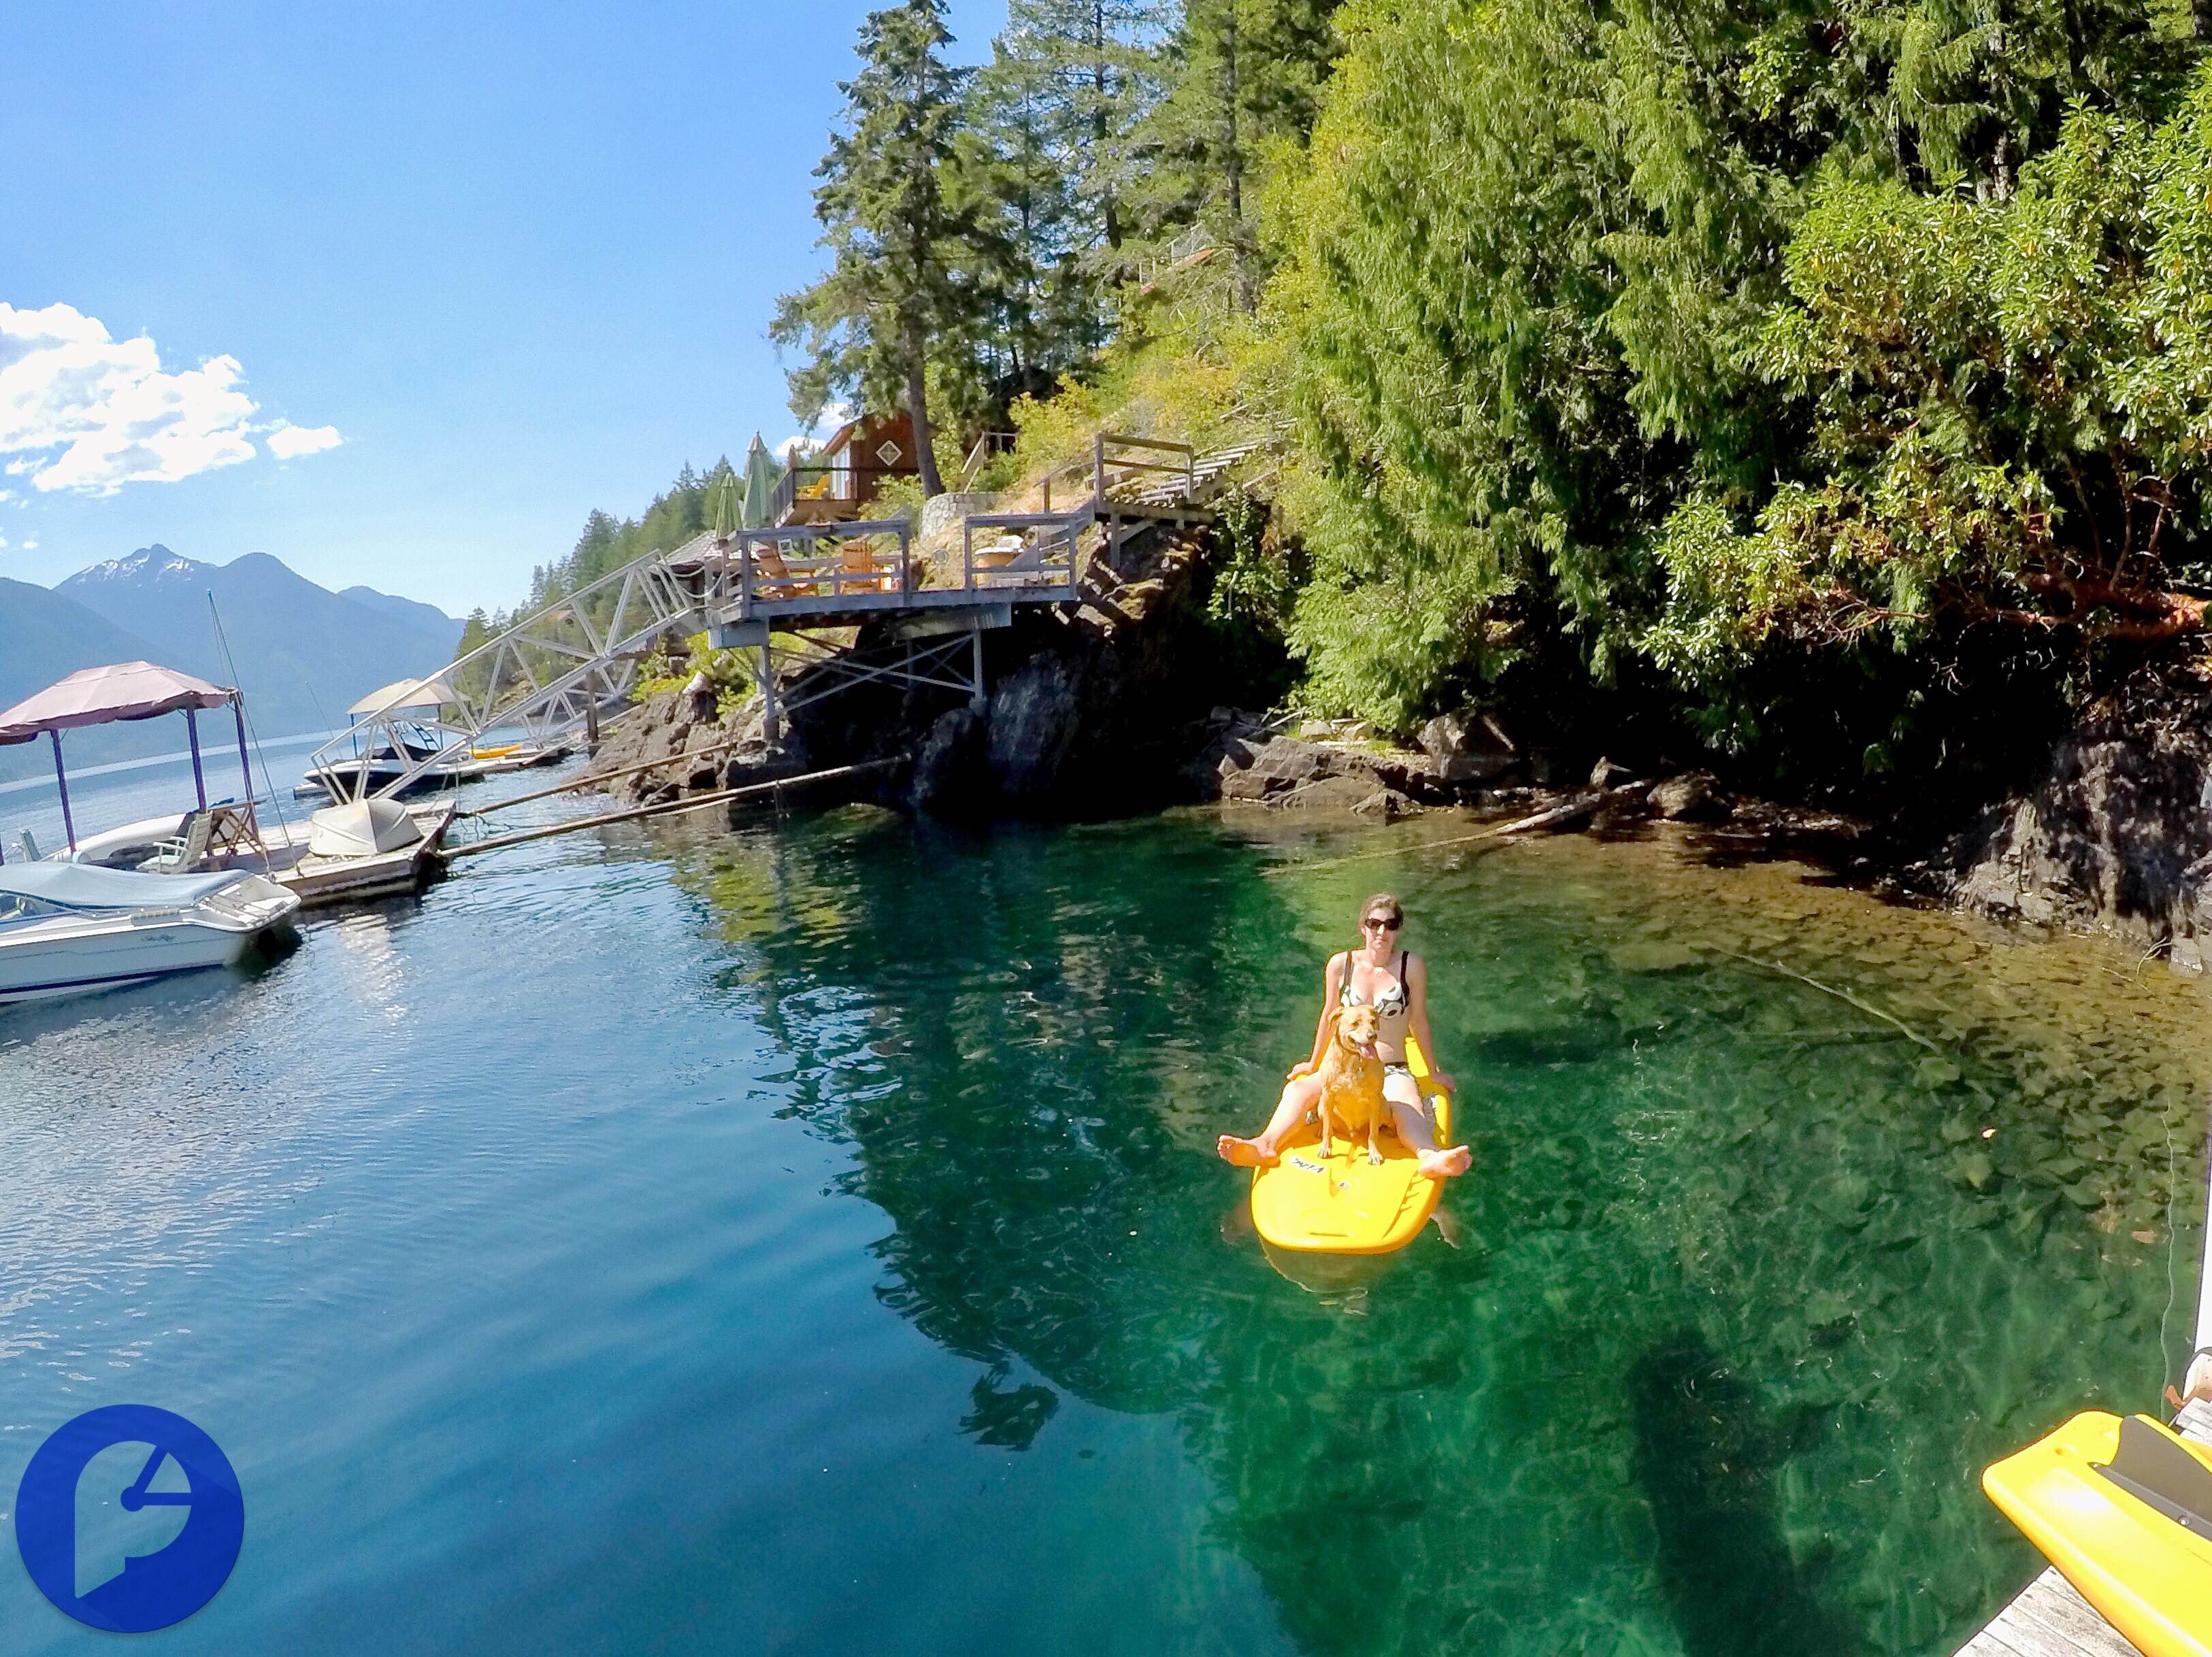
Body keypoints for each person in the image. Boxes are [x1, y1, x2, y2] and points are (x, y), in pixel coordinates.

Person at [1217, 892, 1472, 1179]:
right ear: (1362, 926)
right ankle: (1264, 1145)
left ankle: (1429, 1158)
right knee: (1298, 1089)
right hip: (1340, 1065)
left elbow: (1419, 1020)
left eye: (1390, 925)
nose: (1381, 932)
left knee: (1406, 1104)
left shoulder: (1410, 967)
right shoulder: (1341, 964)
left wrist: (1433, 1071)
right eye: (1374, 923)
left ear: (1398, 929)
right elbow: (1329, 1016)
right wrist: (1313, 1065)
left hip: (1390, 1068)